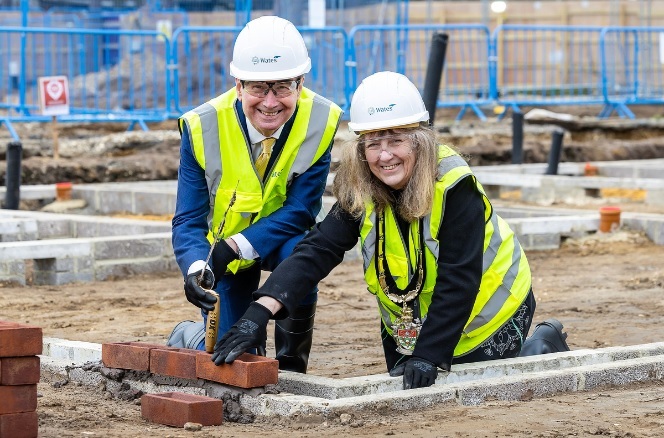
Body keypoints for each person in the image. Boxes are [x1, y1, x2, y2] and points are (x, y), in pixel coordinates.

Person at [209, 71, 570, 389]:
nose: (384, 156)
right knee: (409, 388)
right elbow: (318, 249)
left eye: (396, 140)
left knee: (461, 387)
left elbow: (459, 279)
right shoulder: (361, 182)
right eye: (373, 144)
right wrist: (258, 313)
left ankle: (542, 344)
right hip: (409, 317)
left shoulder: (455, 186)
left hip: (493, 311)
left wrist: (430, 354)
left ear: (420, 140)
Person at [168, 15, 343, 374]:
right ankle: (191, 335)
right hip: (222, 258)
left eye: (282, 87)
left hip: (277, 241)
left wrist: (239, 244)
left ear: (300, 83)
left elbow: (301, 211)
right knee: (232, 356)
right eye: (257, 88)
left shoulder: (320, 121)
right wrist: (198, 267)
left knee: (301, 255)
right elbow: (187, 219)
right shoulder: (202, 127)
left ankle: (293, 363)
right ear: (238, 85)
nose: (269, 102)